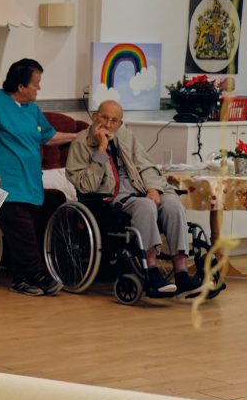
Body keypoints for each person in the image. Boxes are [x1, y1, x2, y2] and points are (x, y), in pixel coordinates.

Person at [66, 100, 203, 296]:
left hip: (140, 188)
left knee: (172, 204)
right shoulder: (80, 143)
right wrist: (101, 149)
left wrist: (153, 188)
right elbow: (87, 186)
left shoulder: (126, 136)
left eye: (114, 120)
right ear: (95, 116)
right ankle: (151, 271)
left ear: (120, 123)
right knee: (145, 206)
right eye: (104, 117)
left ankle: (181, 273)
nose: (108, 124)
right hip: (110, 198)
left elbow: (146, 166)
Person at [0, 58, 77, 296]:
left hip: (30, 184)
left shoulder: (32, 110)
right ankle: (37, 275)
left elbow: (49, 137)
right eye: (36, 84)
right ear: (21, 86)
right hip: (4, 184)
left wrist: (79, 137)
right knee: (23, 231)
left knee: (33, 227)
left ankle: (21, 280)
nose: (39, 88)